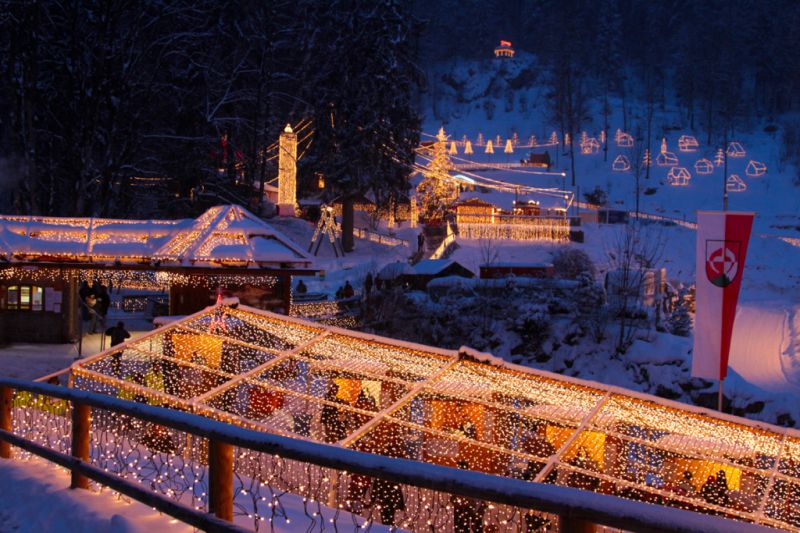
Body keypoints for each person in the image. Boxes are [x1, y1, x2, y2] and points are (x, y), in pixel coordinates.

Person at [451, 460, 486, 532]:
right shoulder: (471, 479)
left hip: (466, 508)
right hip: (467, 508)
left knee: (463, 527)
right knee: (467, 527)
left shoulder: (460, 480)